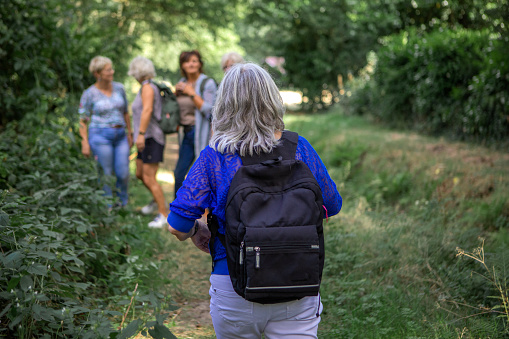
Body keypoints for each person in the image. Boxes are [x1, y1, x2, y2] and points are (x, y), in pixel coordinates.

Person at [167, 63, 342, 338]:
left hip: (234, 284)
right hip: (298, 282)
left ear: (224, 103)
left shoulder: (215, 156)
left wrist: (198, 231)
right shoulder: (300, 149)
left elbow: (177, 224)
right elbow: (332, 205)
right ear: (272, 99)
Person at [79, 56, 132, 208]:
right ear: (98, 73)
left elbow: (125, 112)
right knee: (106, 174)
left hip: (120, 135)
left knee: (123, 173)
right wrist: (84, 142)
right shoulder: (89, 93)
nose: (112, 72)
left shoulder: (119, 88)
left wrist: (130, 133)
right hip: (100, 136)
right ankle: (107, 208)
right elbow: (83, 120)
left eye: (111, 69)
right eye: (108, 70)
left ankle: (122, 205)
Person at [128, 56, 169, 228]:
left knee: (149, 176)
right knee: (139, 173)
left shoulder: (147, 88)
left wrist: (140, 135)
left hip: (151, 137)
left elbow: (147, 110)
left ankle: (164, 214)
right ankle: (155, 201)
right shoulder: (146, 87)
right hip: (146, 138)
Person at [173, 50, 218, 198]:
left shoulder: (207, 83)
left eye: (194, 60)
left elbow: (210, 110)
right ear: (182, 65)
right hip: (186, 134)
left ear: (200, 64)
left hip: (202, 133)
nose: (191, 64)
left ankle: (207, 212)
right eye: (187, 61)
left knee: (204, 175)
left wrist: (191, 93)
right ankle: (179, 212)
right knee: (179, 173)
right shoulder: (182, 83)